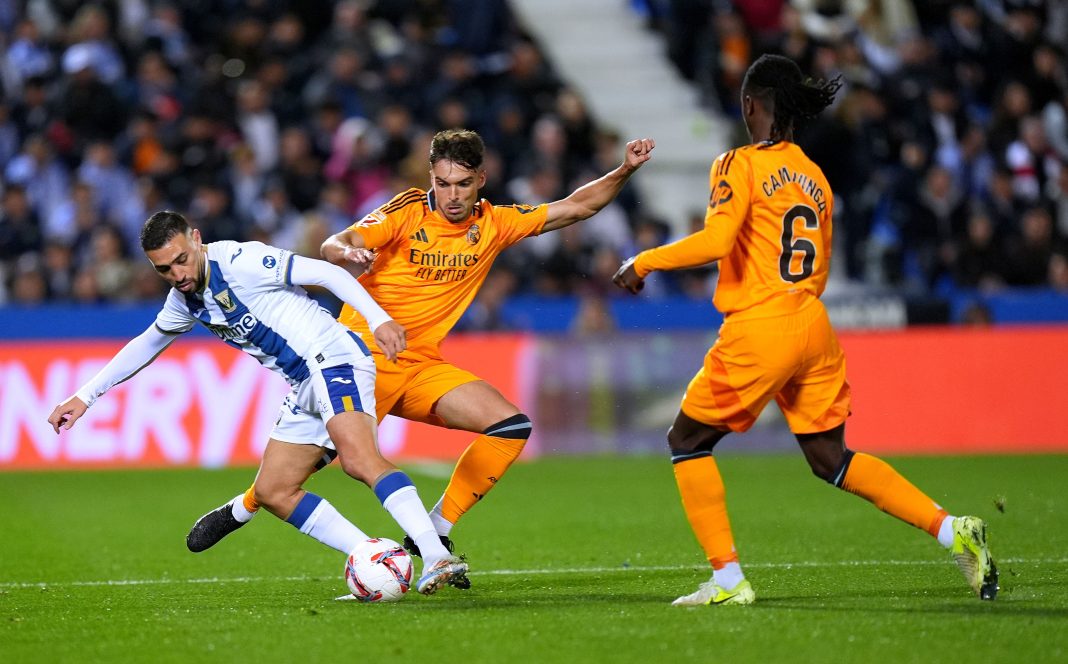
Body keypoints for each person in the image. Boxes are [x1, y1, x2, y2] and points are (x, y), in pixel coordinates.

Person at [186, 129, 655, 587]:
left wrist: (625, 169)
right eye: (443, 183)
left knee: (510, 426)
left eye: (463, 184)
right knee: (290, 482)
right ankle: (245, 504)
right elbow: (333, 243)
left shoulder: (495, 223)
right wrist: (349, 252)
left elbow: (578, 206)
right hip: (357, 362)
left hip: (420, 367)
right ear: (431, 176)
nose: (452, 195)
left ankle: (438, 528)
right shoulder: (406, 212)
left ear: (482, 180)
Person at [613, 54, 998, 606]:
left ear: (752, 105)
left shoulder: (737, 163)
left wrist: (644, 261)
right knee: (831, 459)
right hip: (813, 325)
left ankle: (727, 579)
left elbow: (717, 241)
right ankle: (952, 529)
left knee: (687, 440)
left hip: (762, 324)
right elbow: (819, 266)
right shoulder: (816, 180)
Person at [47, 211, 468, 596]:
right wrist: (86, 395)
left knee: (359, 460)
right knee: (273, 491)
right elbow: (148, 343)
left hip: (335, 359)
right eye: (164, 269)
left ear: (196, 238)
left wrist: (378, 320)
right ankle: (371, 558)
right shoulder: (184, 300)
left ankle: (435, 555)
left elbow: (324, 272)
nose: (177, 274)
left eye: (181, 260)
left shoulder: (239, 261)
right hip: (304, 383)